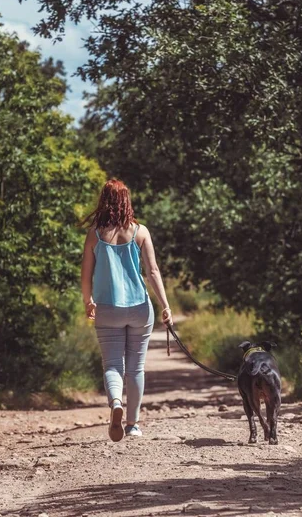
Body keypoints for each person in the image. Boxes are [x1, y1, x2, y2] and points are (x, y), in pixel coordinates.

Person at [80, 179, 173, 442]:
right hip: (140, 309)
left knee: (112, 365)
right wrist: (165, 306)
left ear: (104, 201)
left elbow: (85, 275)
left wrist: (88, 301)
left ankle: (115, 404)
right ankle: (132, 424)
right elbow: (153, 271)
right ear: (126, 201)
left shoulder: (95, 234)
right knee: (135, 368)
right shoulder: (140, 232)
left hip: (107, 308)